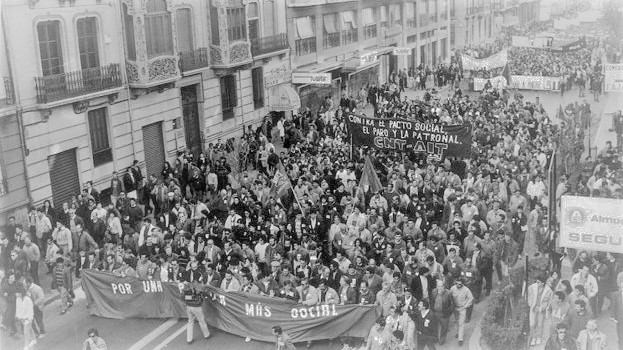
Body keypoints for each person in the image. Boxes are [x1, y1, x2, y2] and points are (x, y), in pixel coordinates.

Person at [528, 276, 553, 346]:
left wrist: (541, 308)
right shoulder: (531, 288)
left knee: (540, 324)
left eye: (538, 282)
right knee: (532, 324)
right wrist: (532, 306)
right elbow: (529, 298)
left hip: (541, 310)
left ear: (543, 283)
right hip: (533, 309)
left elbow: (548, 302)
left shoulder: (549, 291)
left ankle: (538, 337)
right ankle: (533, 337)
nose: (537, 283)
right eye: (536, 281)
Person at [430, 278, 454, 345]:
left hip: (444, 315)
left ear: (444, 287)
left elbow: (452, 305)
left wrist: (447, 313)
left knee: (444, 328)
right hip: (435, 313)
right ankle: (435, 338)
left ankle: (442, 339)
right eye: (438, 286)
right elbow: (431, 302)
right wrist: (432, 310)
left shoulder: (448, 293)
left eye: (441, 286)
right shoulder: (434, 291)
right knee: (435, 327)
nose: (439, 288)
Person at [450, 277, 473, 346]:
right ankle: (458, 332)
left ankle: (460, 339)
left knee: (461, 324)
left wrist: (465, 306)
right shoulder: (452, 288)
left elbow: (471, 298)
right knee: (457, 322)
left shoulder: (466, 290)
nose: (457, 285)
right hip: (455, 309)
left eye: (459, 284)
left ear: (462, 284)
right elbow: (449, 296)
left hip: (462, 309)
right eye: (456, 283)